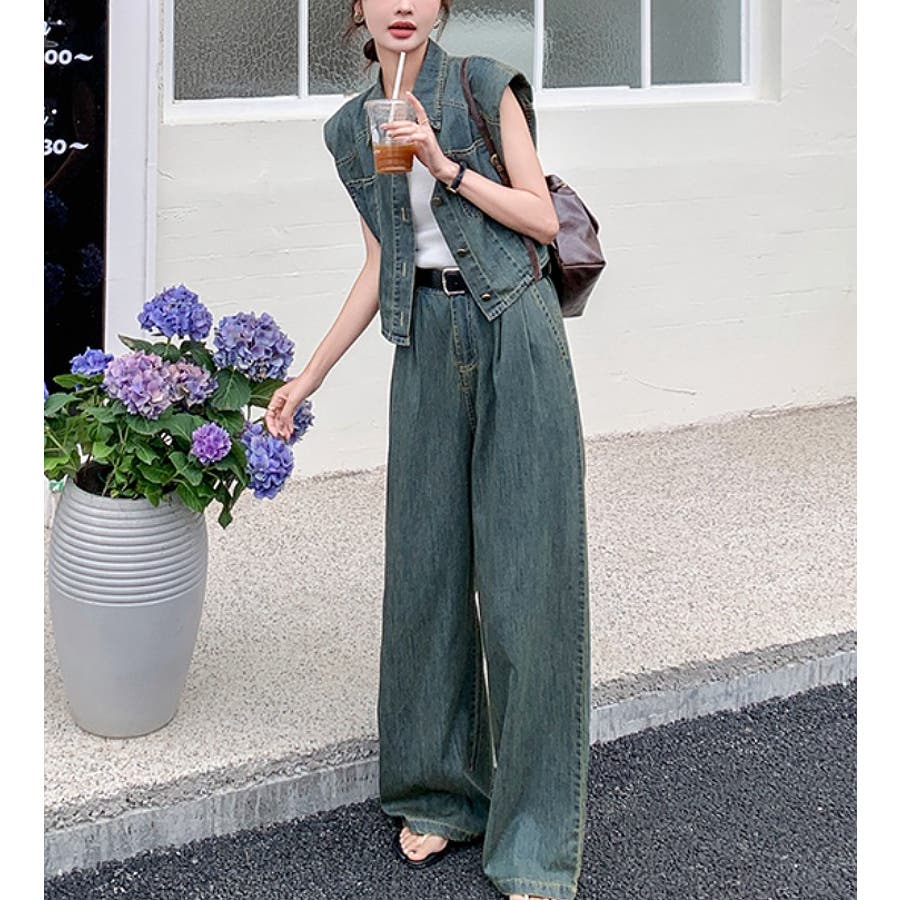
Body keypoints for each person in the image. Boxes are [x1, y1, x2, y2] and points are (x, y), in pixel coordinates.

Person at [265, 3, 591, 898]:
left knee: (527, 584)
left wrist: (445, 166)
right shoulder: (351, 129)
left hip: (513, 328)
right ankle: (442, 794)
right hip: (423, 343)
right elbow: (382, 263)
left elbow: (539, 218)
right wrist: (308, 376)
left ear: (442, 6)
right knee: (425, 574)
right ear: (359, 10)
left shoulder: (482, 86)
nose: (403, 6)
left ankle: (535, 840)